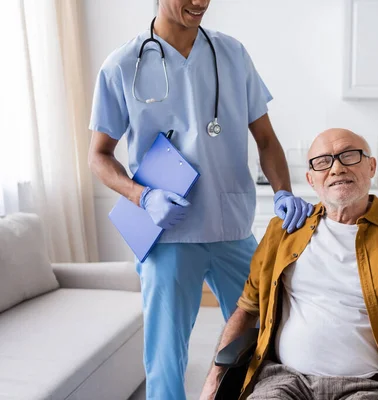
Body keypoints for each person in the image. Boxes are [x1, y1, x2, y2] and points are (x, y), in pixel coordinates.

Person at [87, 1, 312, 398]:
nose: (200, 2)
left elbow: (266, 139)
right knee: (165, 359)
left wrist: (283, 192)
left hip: (232, 227)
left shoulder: (232, 53)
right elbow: (98, 156)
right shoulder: (123, 64)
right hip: (167, 236)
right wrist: (143, 196)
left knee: (268, 338)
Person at [200, 128, 378, 400]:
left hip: (370, 386)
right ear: (311, 179)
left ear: (372, 166)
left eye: (349, 156)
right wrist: (213, 380)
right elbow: (246, 309)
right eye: (323, 161)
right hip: (282, 381)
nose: (337, 168)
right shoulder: (283, 231)